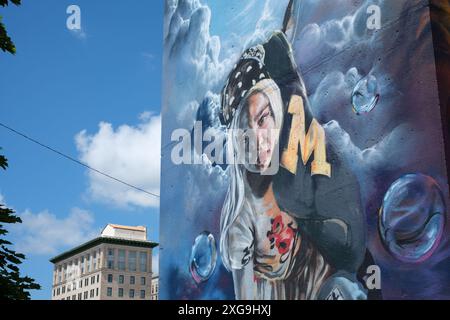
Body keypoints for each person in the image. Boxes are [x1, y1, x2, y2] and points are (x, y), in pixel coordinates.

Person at [219, 27, 369, 299]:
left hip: (316, 276)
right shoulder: (242, 216)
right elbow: (246, 296)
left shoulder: (294, 170)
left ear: (277, 111)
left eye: (263, 119)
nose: (258, 140)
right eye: (244, 133)